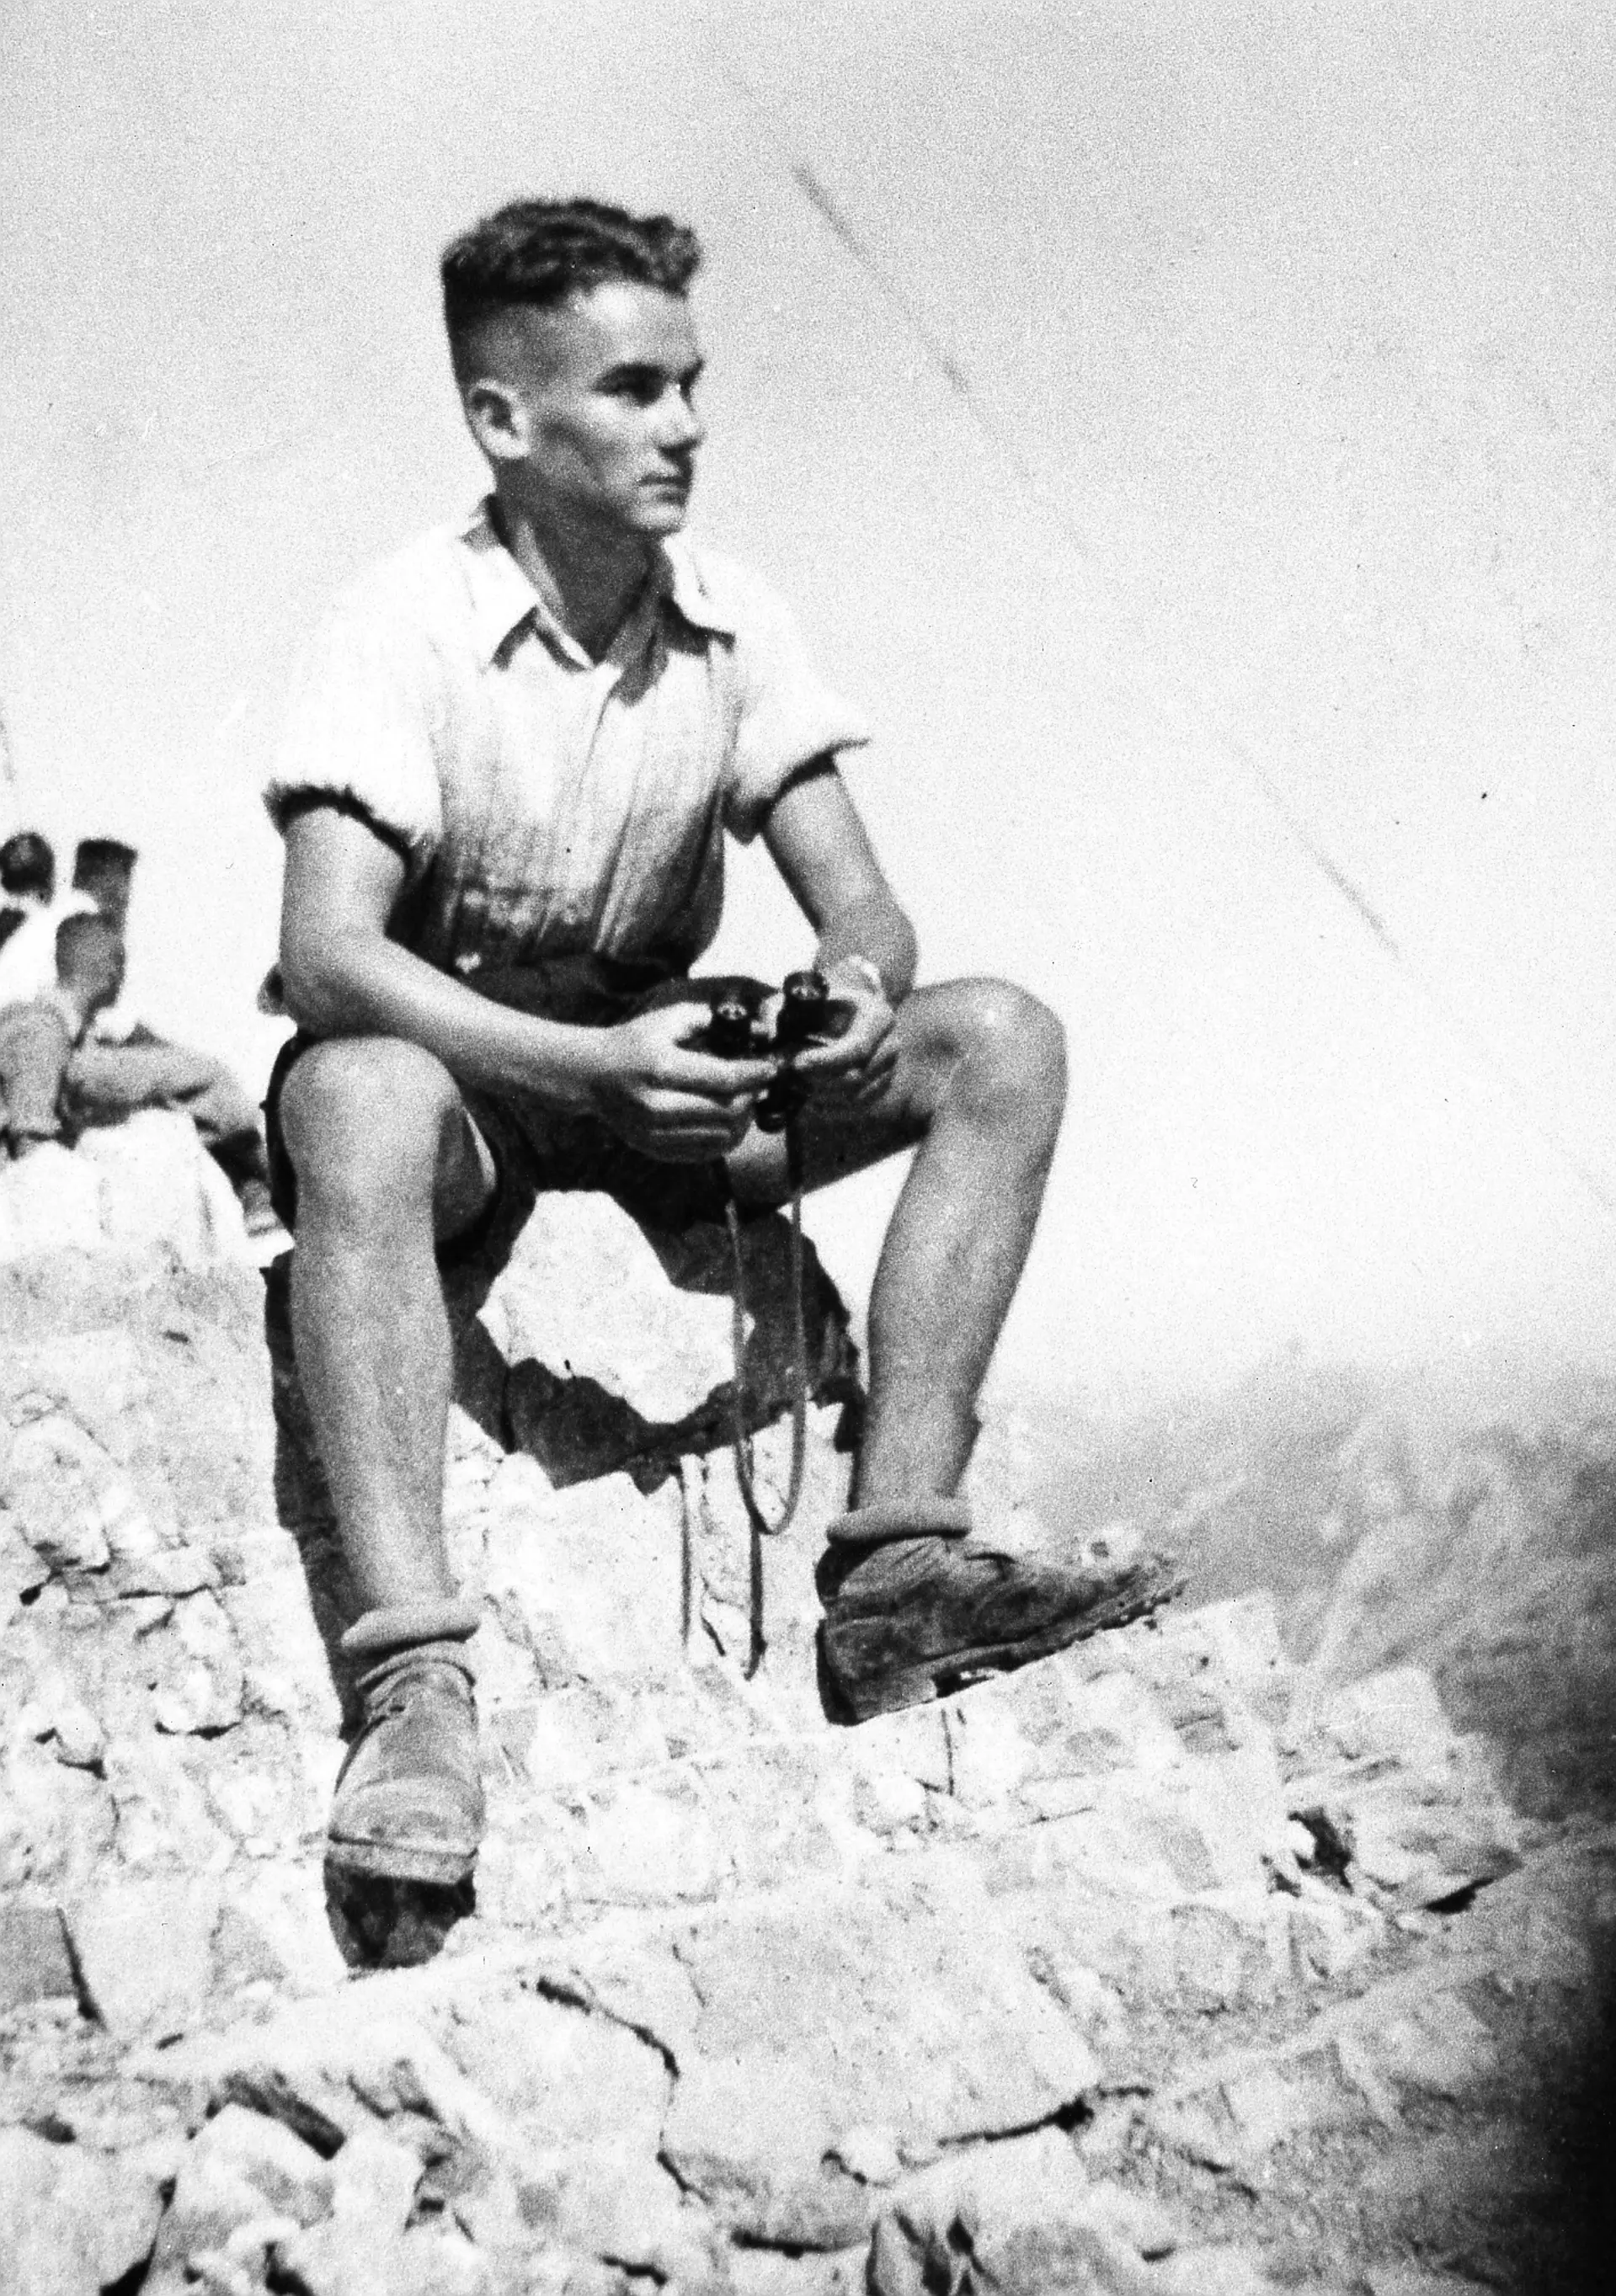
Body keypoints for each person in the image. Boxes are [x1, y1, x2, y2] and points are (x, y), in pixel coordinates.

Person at [267, 197, 1176, 1889]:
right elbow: (324, 954)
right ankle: (412, 1694)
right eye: (626, 390)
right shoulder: (395, 625)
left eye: (688, 383)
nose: (681, 425)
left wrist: (843, 999)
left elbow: (867, 912)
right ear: (501, 420)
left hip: (658, 1086)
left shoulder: (732, 622)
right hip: (467, 1085)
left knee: (997, 1041)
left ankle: (898, 1571)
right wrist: (578, 1071)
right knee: (355, 1096)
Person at [0, 831, 284, 1239]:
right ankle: (265, 1186)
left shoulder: (24, 934)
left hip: (57, 1053)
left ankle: (257, 1188)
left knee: (182, 1081)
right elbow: (93, 1016)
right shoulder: (75, 916)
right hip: (65, 1060)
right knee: (199, 1079)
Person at [0, 912, 126, 1159]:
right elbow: (31, 1152)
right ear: (111, 973)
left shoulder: (61, 1030)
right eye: (121, 967)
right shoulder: (41, 1031)